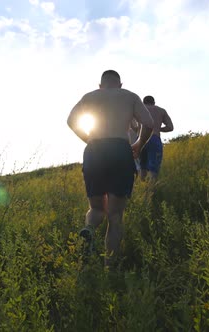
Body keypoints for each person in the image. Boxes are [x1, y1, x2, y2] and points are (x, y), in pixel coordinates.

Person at [67, 70, 154, 268]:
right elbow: (148, 123)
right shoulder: (129, 96)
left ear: (100, 85)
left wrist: (88, 139)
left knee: (96, 208)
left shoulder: (88, 97)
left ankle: (89, 229)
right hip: (119, 150)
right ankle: (109, 268)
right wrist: (139, 144)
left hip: (93, 151)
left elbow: (71, 121)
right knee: (115, 216)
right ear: (120, 84)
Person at [139, 95, 173, 180]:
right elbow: (170, 127)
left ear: (143, 103)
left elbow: (133, 125)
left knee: (142, 167)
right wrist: (158, 128)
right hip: (154, 138)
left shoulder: (140, 109)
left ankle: (143, 190)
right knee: (153, 169)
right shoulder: (161, 111)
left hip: (141, 139)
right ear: (154, 103)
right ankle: (152, 191)